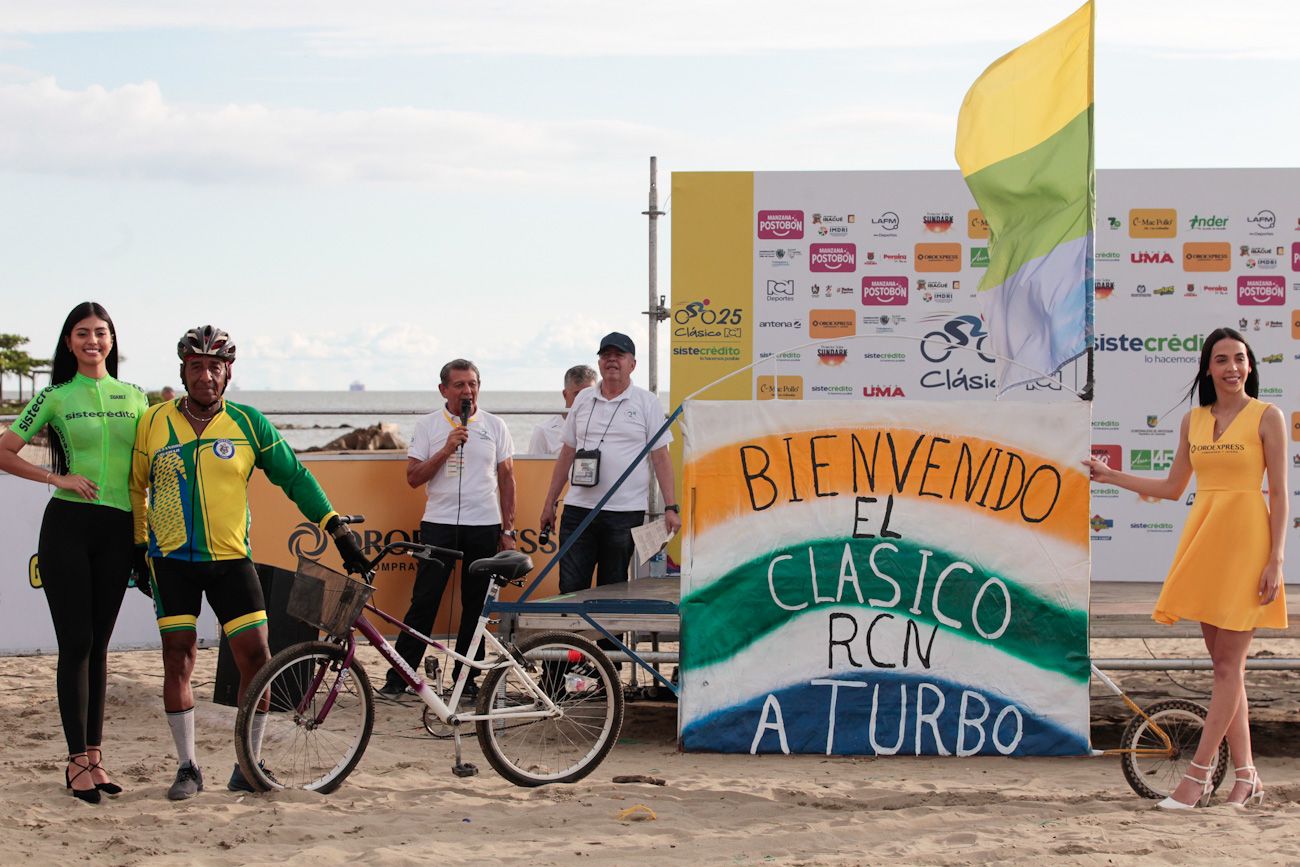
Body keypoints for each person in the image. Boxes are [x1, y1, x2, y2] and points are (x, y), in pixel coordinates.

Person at [131, 325, 366, 800]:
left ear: (228, 373)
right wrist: (138, 548)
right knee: (178, 658)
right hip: (172, 561)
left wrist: (336, 528)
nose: (205, 376)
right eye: (196, 366)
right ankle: (187, 768)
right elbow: (137, 487)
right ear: (183, 371)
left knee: (257, 661)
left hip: (233, 561)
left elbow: (295, 477)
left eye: (214, 367)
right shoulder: (153, 421)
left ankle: (248, 765)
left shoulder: (248, 422)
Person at [1083, 326, 1287, 810]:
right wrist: (1112, 475)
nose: (1233, 367)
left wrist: (1276, 558)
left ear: (1250, 366)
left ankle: (1196, 778)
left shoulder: (1268, 416)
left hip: (1249, 546)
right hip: (1205, 544)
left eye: (1240, 358)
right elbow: (1174, 487)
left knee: (1226, 668)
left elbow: (1279, 493)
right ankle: (1247, 778)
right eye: (1222, 359)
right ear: (1208, 368)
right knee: (1225, 670)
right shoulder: (1194, 420)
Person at [0, 303, 148, 804]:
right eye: (82, 333)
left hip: (119, 529)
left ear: (112, 340)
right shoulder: (55, 396)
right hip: (67, 526)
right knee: (77, 643)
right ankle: (75, 763)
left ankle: (95, 757)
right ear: (68, 342)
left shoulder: (135, 397)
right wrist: (55, 478)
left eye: (100, 332)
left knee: (100, 645)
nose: (92, 340)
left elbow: (150, 463)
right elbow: (3, 449)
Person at [378, 359, 516, 701]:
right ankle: (401, 676)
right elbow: (413, 478)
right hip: (439, 525)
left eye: (472, 384)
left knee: (475, 605)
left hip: (484, 525)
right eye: (459, 385)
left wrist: (508, 528)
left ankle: (466, 679)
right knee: (424, 601)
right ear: (444, 390)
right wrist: (447, 448)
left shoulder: (496, 426)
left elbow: (507, 478)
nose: (467, 391)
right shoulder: (427, 426)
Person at [539, 332, 680, 595]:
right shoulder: (582, 399)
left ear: (632, 364)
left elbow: (661, 457)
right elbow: (567, 453)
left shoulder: (646, 402)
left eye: (619, 355)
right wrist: (550, 502)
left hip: (624, 513)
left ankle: (606, 639)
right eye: (606, 355)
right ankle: (573, 638)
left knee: (611, 589)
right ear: (600, 362)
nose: (612, 360)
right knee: (570, 587)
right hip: (578, 508)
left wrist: (670, 507)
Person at [528, 364, 597, 455]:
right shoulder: (544, 431)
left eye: (588, 394)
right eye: (577, 394)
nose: (583, 400)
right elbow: (534, 468)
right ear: (565, 394)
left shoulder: (604, 427)